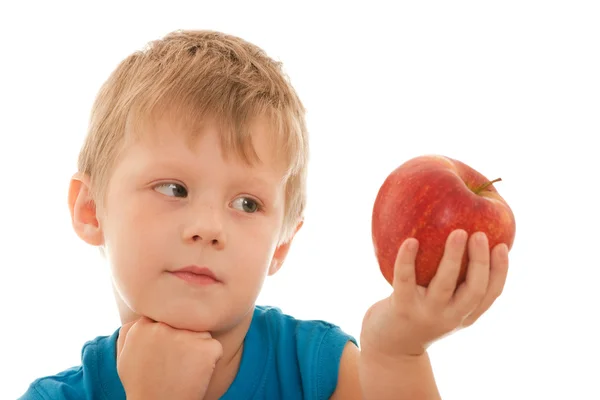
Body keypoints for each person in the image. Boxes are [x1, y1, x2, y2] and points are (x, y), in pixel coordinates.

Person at [19, 29, 509, 400]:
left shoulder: (318, 368)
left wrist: (398, 352)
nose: (209, 228)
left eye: (247, 204)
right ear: (90, 210)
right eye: (173, 188)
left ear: (282, 243)